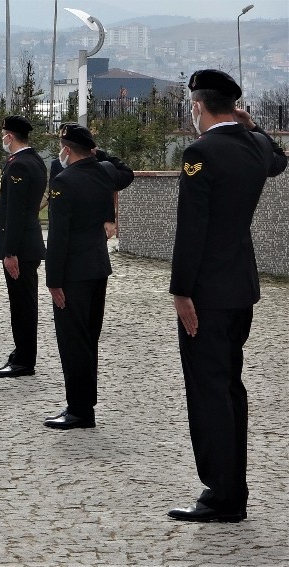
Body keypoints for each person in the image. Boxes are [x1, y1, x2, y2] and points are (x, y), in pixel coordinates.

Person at [167, 69, 287, 523]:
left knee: (209, 392)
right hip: (240, 287)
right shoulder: (255, 146)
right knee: (230, 388)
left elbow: (191, 229)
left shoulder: (200, 152)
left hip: (206, 295)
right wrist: (252, 126)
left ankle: (222, 495)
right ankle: (232, 487)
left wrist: (180, 290)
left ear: (198, 106)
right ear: (233, 106)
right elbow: (280, 159)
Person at [43, 124, 133, 430]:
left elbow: (58, 236)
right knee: (88, 338)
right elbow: (127, 172)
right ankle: (84, 405)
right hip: (97, 267)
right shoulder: (103, 172)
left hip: (72, 273)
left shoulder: (63, 181)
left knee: (73, 341)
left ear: (67, 150)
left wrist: (52, 280)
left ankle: (79, 409)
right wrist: (101, 154)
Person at [0, 116, 47, 377]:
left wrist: (9, 251)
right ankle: (21, 352)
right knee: (22, 304)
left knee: (23, 306)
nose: (3, 138)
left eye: (4, 134)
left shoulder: (20, 165)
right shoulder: (33, 160)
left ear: (10, 136)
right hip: (26, 245)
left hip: (21, 248)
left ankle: (24, 359)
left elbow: (16, 212)